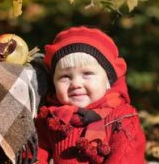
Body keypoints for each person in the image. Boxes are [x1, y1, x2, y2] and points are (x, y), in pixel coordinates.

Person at [35, 26, 146, 164]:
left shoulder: (122, 118)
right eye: (65, 76)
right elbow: (36, 154)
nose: (75, 83)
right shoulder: (52, 119)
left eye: (87, 74)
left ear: (108, 82)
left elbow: (126, 158)